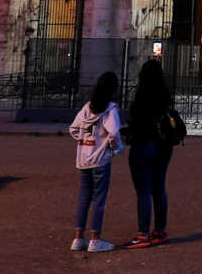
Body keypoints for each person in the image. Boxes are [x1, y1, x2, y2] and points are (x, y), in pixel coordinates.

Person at [124, 58, 182, 248]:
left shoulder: (141, 97)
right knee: (159, 188)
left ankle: (143, 235)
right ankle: (160, 231)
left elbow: (136, 124)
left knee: (143, 192)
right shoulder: (164, 95)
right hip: (164, 147)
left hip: (144, 145)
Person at [69, 71, 124, 253]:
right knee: (99, 200)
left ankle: (78, 238)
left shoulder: (87, 108)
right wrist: (112, 147)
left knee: (84, 199)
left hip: (84, 158)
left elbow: (74, 128)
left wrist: (84, 140)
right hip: (100, 160)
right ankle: (95, 239)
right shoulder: (110, 109)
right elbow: (114, 132)